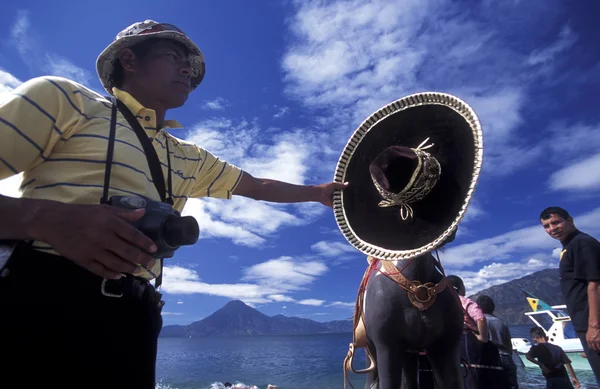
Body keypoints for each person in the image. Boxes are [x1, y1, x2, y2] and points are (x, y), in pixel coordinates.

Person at [0, 20, 346, 389]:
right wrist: (41, 218)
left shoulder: (188, 157)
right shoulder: (65, 100)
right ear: (129, 60)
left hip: (136, 317)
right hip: (40, 300)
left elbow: (257, 186)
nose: (187, 69)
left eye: (191, 66)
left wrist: (318, 192)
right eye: (174, 57)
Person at [540, 206, 600, 385]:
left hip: (592, 323)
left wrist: (594, 326)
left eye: (556, 222)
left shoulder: (582, 243)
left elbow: (595, 283)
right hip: (583, 324)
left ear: (570, 220)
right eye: (547, 226)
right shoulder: (568, 248)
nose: (552, 228)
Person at [448, 275, 509, 389]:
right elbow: (480, 318)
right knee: (477, 376)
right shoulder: (464, 301)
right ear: (460, 287)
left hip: (451, 342)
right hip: (468, 339)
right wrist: (483, 337)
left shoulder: (442, 304)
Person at [476, 295, 519, 389]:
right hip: (506, 358)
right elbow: (508, 344)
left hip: (490, 360)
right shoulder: (502, 323)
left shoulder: (478, 323)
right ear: (493, 308)